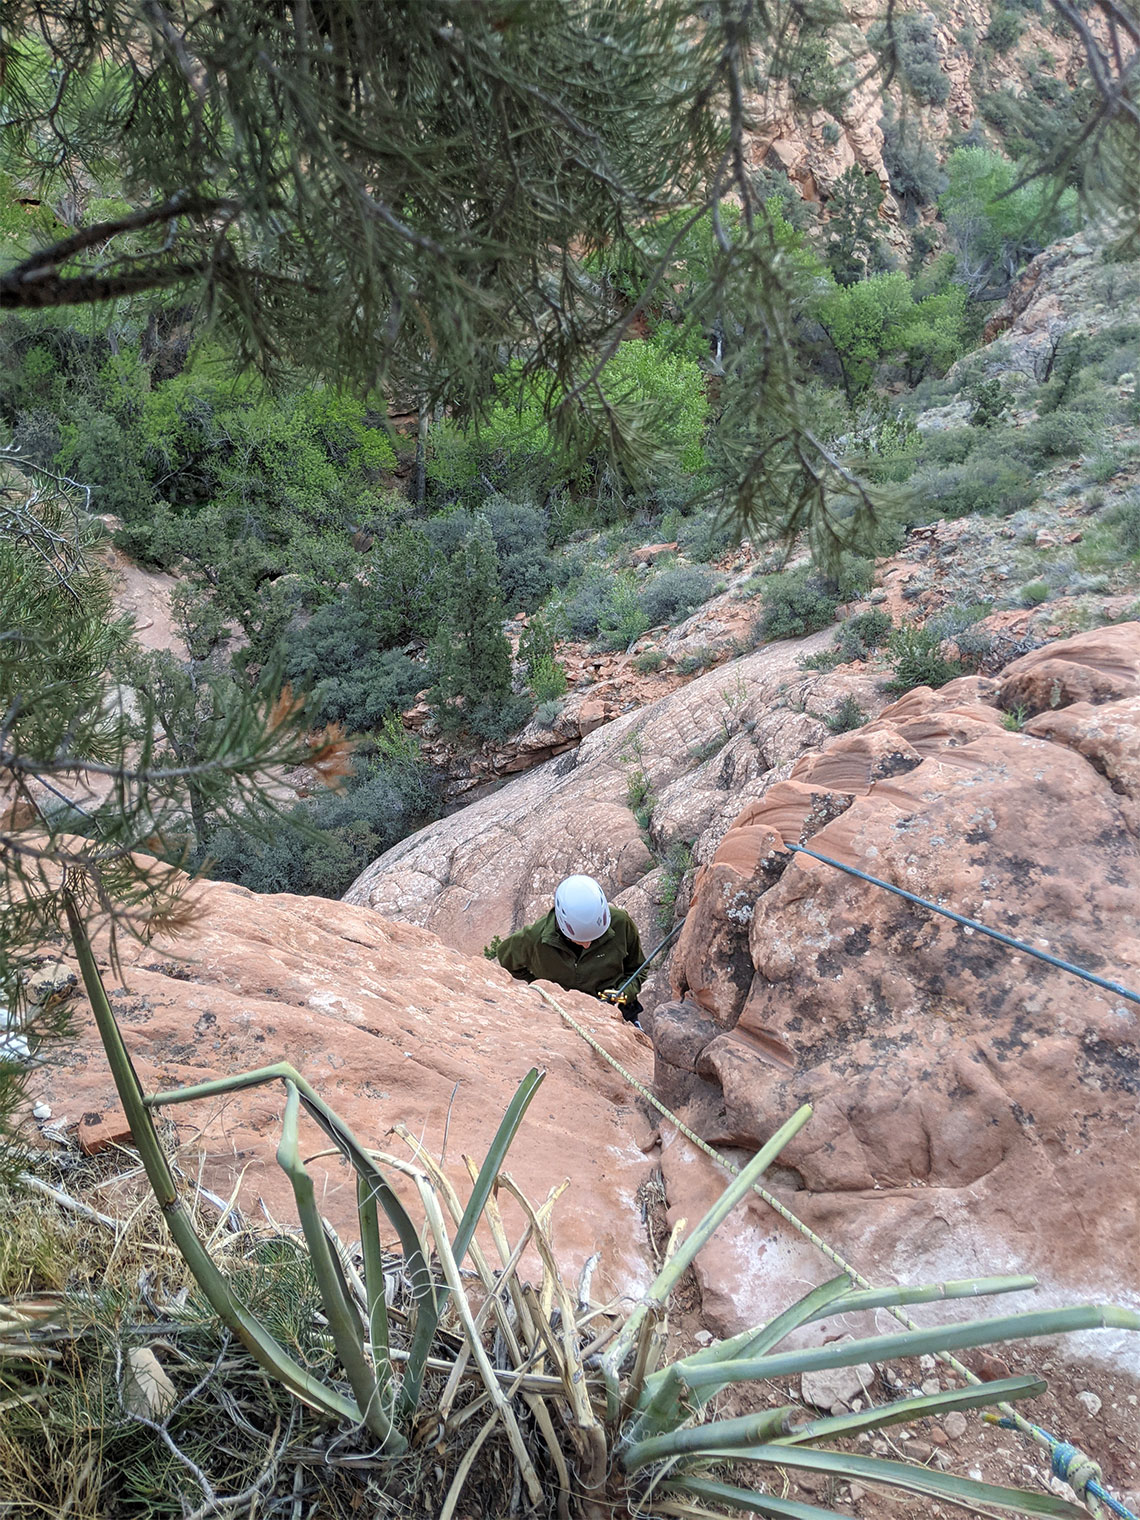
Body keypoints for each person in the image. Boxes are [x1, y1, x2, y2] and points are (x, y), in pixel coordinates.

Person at [496, 875, 646, 1021]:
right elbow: (506, 959)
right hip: (563, 1012)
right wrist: (540, 984)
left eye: (594, 938)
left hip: (617, 1010)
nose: (587, 945)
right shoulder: (536, 938)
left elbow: (639, 968)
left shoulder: (621, 923)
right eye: (580, 939)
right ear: (562, 925)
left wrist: (626, 991)